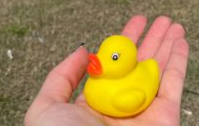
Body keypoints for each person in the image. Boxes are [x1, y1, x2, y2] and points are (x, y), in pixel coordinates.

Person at [25, 15, 189, 126]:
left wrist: (152, 68)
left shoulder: (122, 98)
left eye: (114, 58)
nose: (97, 58)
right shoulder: (95, 85)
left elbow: (139, 93)